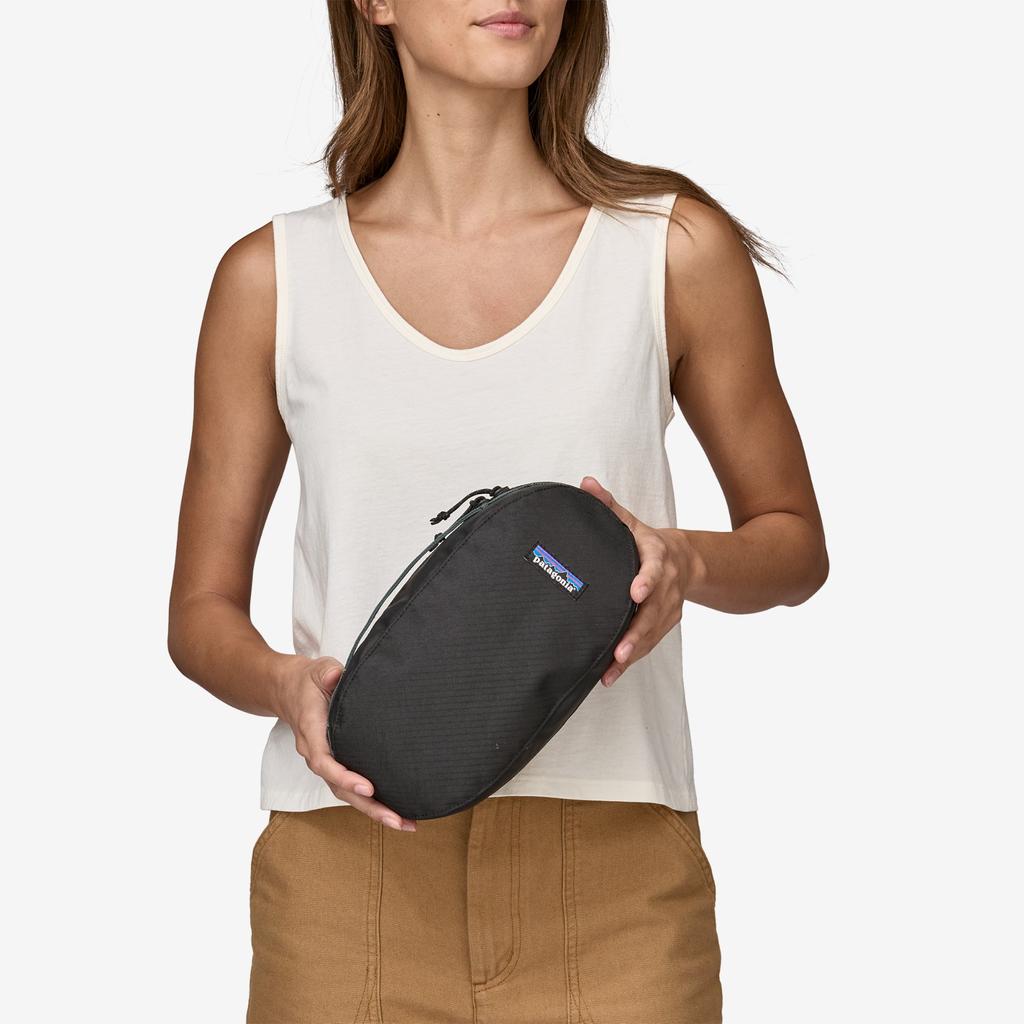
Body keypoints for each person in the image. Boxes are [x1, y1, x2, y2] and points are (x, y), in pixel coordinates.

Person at [167, 2, 828, 1020]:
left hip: (616, 881)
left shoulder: (669, 250)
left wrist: (684, 564)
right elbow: (199, 612)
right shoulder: (273, 279)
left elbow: (792, 541)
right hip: (348, 880)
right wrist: (284, 685)